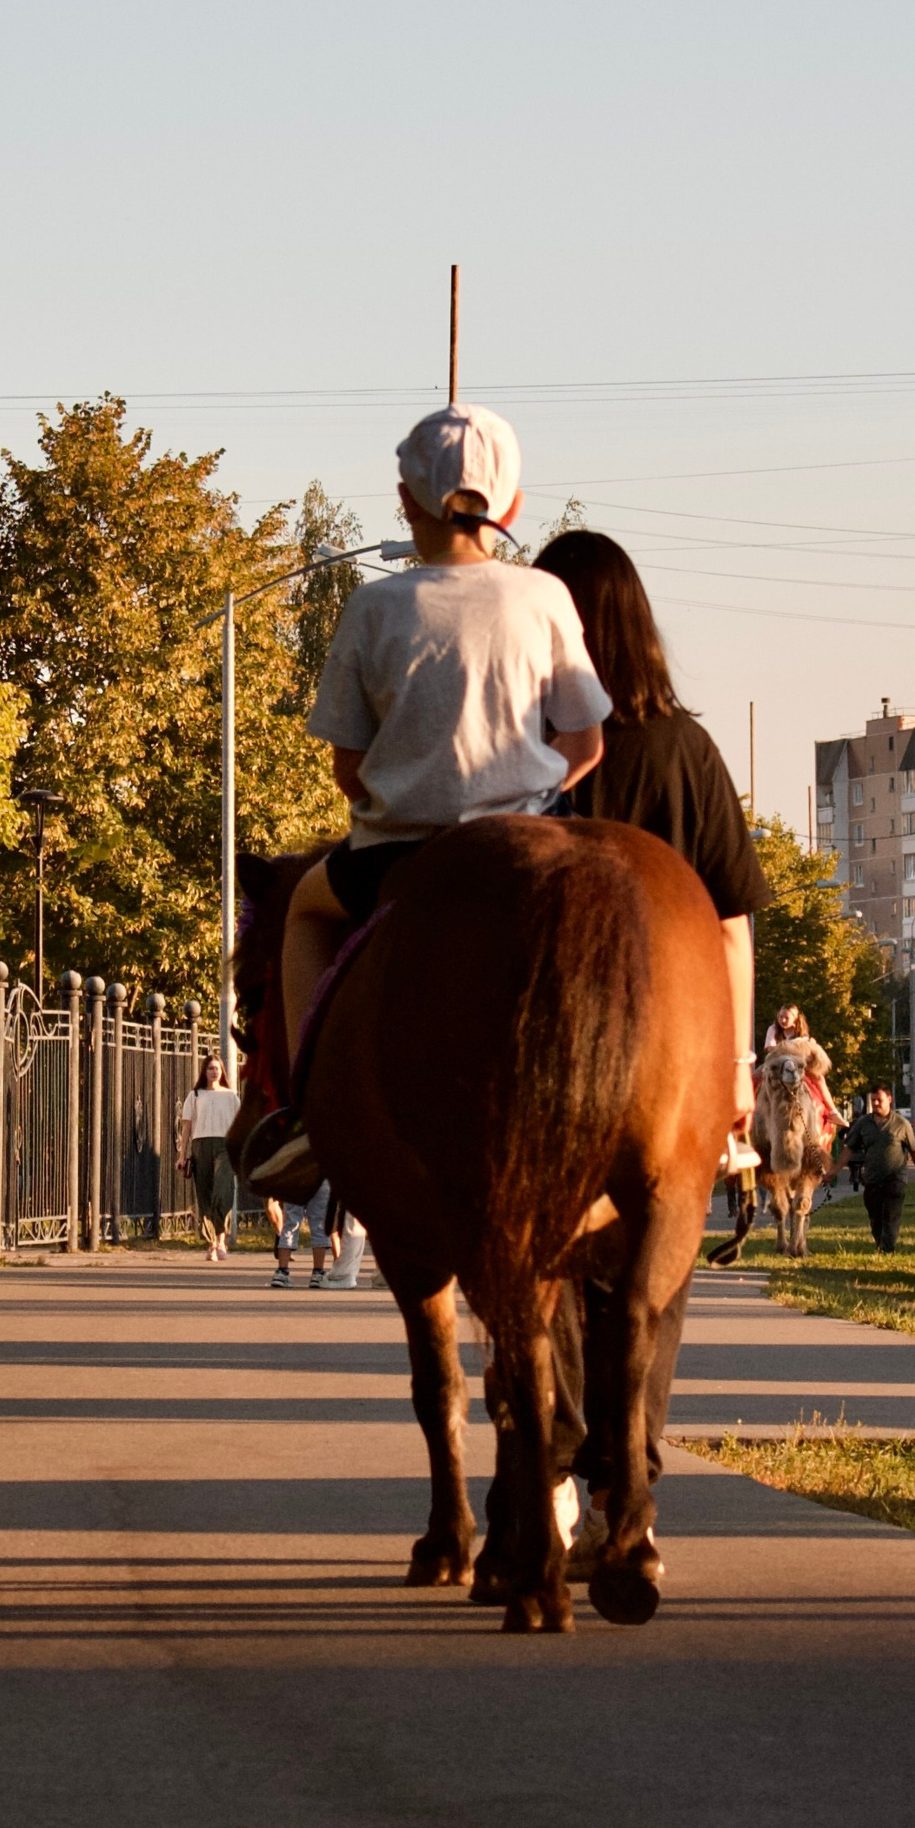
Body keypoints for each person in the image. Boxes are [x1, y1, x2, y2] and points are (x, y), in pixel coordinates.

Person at [249, 403, 610, 1194]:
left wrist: (406, 786)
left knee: (302, 911)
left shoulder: (373, 608)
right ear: (512, 505)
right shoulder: (545, 596)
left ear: (406, 502)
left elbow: (349, 766)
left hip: (398, 857)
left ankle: (307, 1116)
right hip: (526, 844)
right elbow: (587, 745)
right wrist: (528, 792)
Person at [528, 528, 772, 1553]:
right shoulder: (686, 752)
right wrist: (736, 1069)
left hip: (544, 1035)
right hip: (674, 1053)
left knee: (545, 1255)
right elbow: (729, 926)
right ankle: (629, 1487)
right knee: (655, 1271)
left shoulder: (527, 751)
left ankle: (553, 1471)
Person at [173, 1055, 241, 1261]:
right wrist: (182, 1155)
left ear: (222, 1071)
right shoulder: (195, 1095)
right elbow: (186, 1127)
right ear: (204, 1071)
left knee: (222, 1191)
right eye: (210, 1068)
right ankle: (213, 1244)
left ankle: (222, 1239)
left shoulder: (231, 1096)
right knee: (205, 1194)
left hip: (225, 1146)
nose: (214, 1072)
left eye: (217, 1068)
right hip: (201, 1145)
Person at [848, 1087, 915, 1251]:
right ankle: (881, 1242)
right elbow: (848, 1148)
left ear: (889, 1099)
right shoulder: (863, 1124)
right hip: (872, 1178)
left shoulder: (901, 1123)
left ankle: (887, 1248)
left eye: (879, 1100)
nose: (875, 1103)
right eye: (873, 1100)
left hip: (895, 1177)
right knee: (875, 1216)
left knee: (891, 1214)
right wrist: (834, 1170)